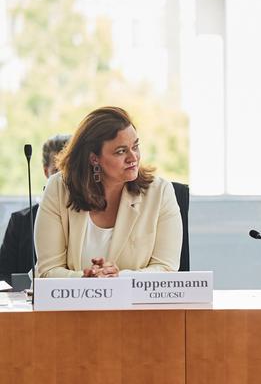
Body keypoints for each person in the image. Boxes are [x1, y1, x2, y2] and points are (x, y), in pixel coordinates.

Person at [34, 107, 182, 277]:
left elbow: (166, 269)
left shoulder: (160, 192)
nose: (133, 157)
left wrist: (117, 279)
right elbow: (47, 270)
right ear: (93, 158)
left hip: (134, 303)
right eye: (121, 151)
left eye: (135, 146)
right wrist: (86, 279)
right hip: (74, 303)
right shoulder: (58, 188)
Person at [0, 134, 71, 282]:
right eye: (58, 170)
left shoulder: (91, 217)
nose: (63, 178)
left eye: (69, 169)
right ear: (46, 172)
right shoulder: (19, 221)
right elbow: (3, 275)